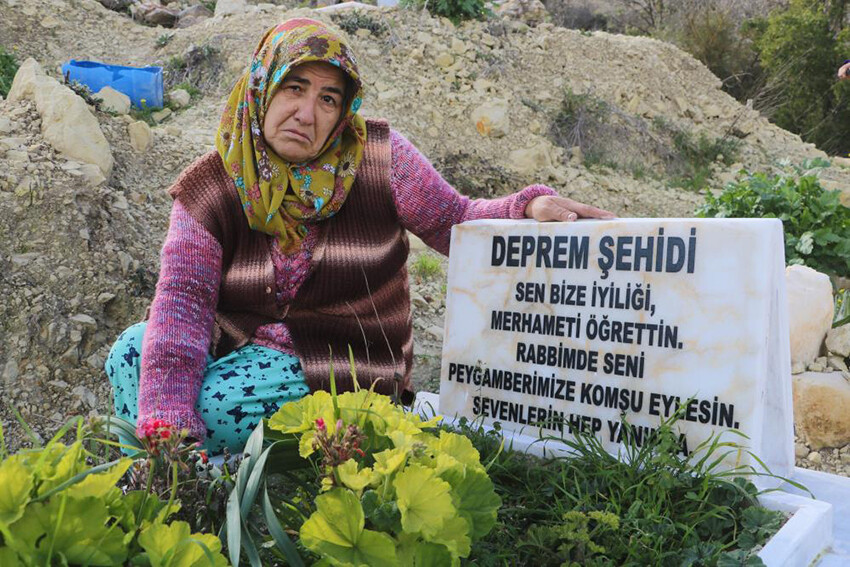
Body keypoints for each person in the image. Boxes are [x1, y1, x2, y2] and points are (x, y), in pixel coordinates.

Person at [105, 18, 615, 454]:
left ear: (344, 110)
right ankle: (171, 471)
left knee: (211, 408)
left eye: (328, 98)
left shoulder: (379, 158)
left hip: (345, 360)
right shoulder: (212, 185)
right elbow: (182, 301)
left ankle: (193, 469)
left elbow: (452, 218)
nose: (307, 113)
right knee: (130, 352)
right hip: (240, 340)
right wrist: (168, 422)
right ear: (261, 86)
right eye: (293, 86)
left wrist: (523, 207)